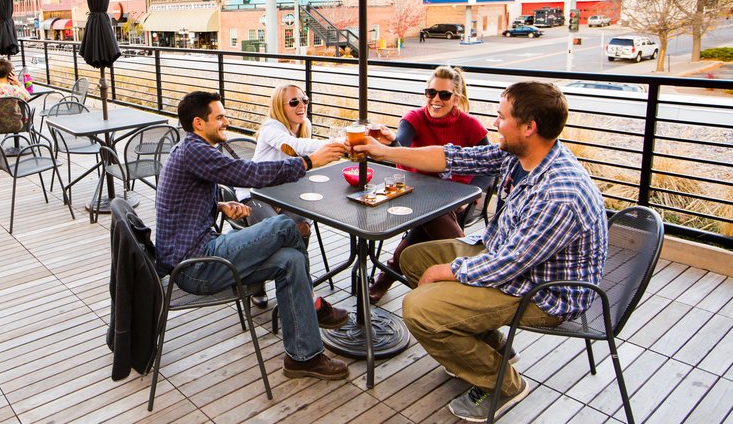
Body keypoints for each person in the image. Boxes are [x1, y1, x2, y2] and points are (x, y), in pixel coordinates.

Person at [352, 81, 607, 422]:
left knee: (419, 308)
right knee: (414, 259)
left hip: (542, 293)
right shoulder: (520, 155)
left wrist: (446, 272)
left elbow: (508, 266)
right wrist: (383, 152)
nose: (494, 123)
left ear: (529, 127)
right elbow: (451, 156)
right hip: (508, 259)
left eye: (501, 117)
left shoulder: (560, 193)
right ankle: (491, 347)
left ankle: (502, 384)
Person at [156, 91, 351, 380]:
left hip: (199, 253)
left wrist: (219, 205)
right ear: (199, 123)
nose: (226, 121)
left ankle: (303, 356)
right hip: (195, 265)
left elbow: (180, 202)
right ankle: (311, 303)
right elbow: (248, 173)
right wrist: (308, 162)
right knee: (286, 226)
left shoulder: (189, 150)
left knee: (290, 260)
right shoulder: (195, 151)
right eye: (219, 117)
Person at [368, 66, 491, 304]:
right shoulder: (414, 118)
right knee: (431, 215)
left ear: (456, 98)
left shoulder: (470, 125)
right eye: (430, 92)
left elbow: (489, 168)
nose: (435, 99)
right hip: (417, 194)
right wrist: (390, 143)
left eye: (444, 95)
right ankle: (465, 266)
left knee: (431, 219)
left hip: (459, 200)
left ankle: (388, 274)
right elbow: (399, 146)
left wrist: (471, 195)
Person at [234, 84, 329, 308]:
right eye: (294, 102)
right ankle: (256, 284)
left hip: (284, 194)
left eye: (304, 100)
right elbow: (292, 148)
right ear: (279, 106)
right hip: (254, 191)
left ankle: (296, 283)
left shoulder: (305, 125)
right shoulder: (271, 127)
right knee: (273, 230)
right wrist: (333, 144)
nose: (302, 106)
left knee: (302, 226)